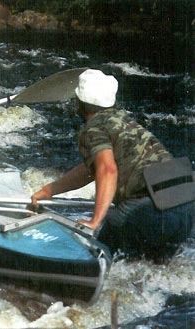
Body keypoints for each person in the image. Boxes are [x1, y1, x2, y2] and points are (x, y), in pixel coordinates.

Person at [31, 69, 194, 262]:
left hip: (152, 206)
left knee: (99, 255)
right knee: (146, 268)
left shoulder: (93, 128)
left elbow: (106, 170)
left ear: (80, 102)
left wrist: (95, 221)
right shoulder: (122, 120)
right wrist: (48, 190)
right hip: (186, 202)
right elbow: (90, 170)